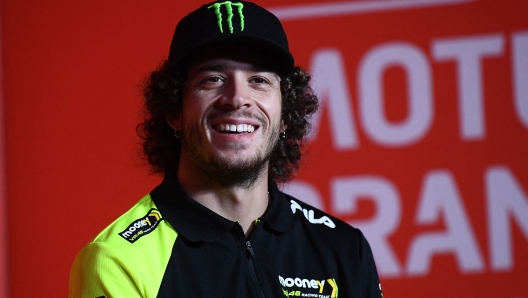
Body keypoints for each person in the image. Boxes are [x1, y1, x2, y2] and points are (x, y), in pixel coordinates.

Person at [69, 1, 383, 297]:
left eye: (258, 80)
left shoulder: (342, 248)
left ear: (285, 114)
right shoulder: (120, 260)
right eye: (213, 79)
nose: (236, 98)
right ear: (174, 111)